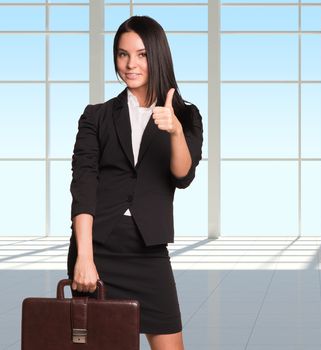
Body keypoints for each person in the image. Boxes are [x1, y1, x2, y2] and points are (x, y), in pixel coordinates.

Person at [67, 16, 203, 350]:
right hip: (98, 249)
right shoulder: (95, 116)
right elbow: (83, 185)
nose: (130, 64)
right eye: (122, 54)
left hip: (149, 249)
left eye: (141, 54)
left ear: (157, 56)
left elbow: (183, 176)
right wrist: (84, 256)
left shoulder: (186, 115)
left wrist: (173, 130)